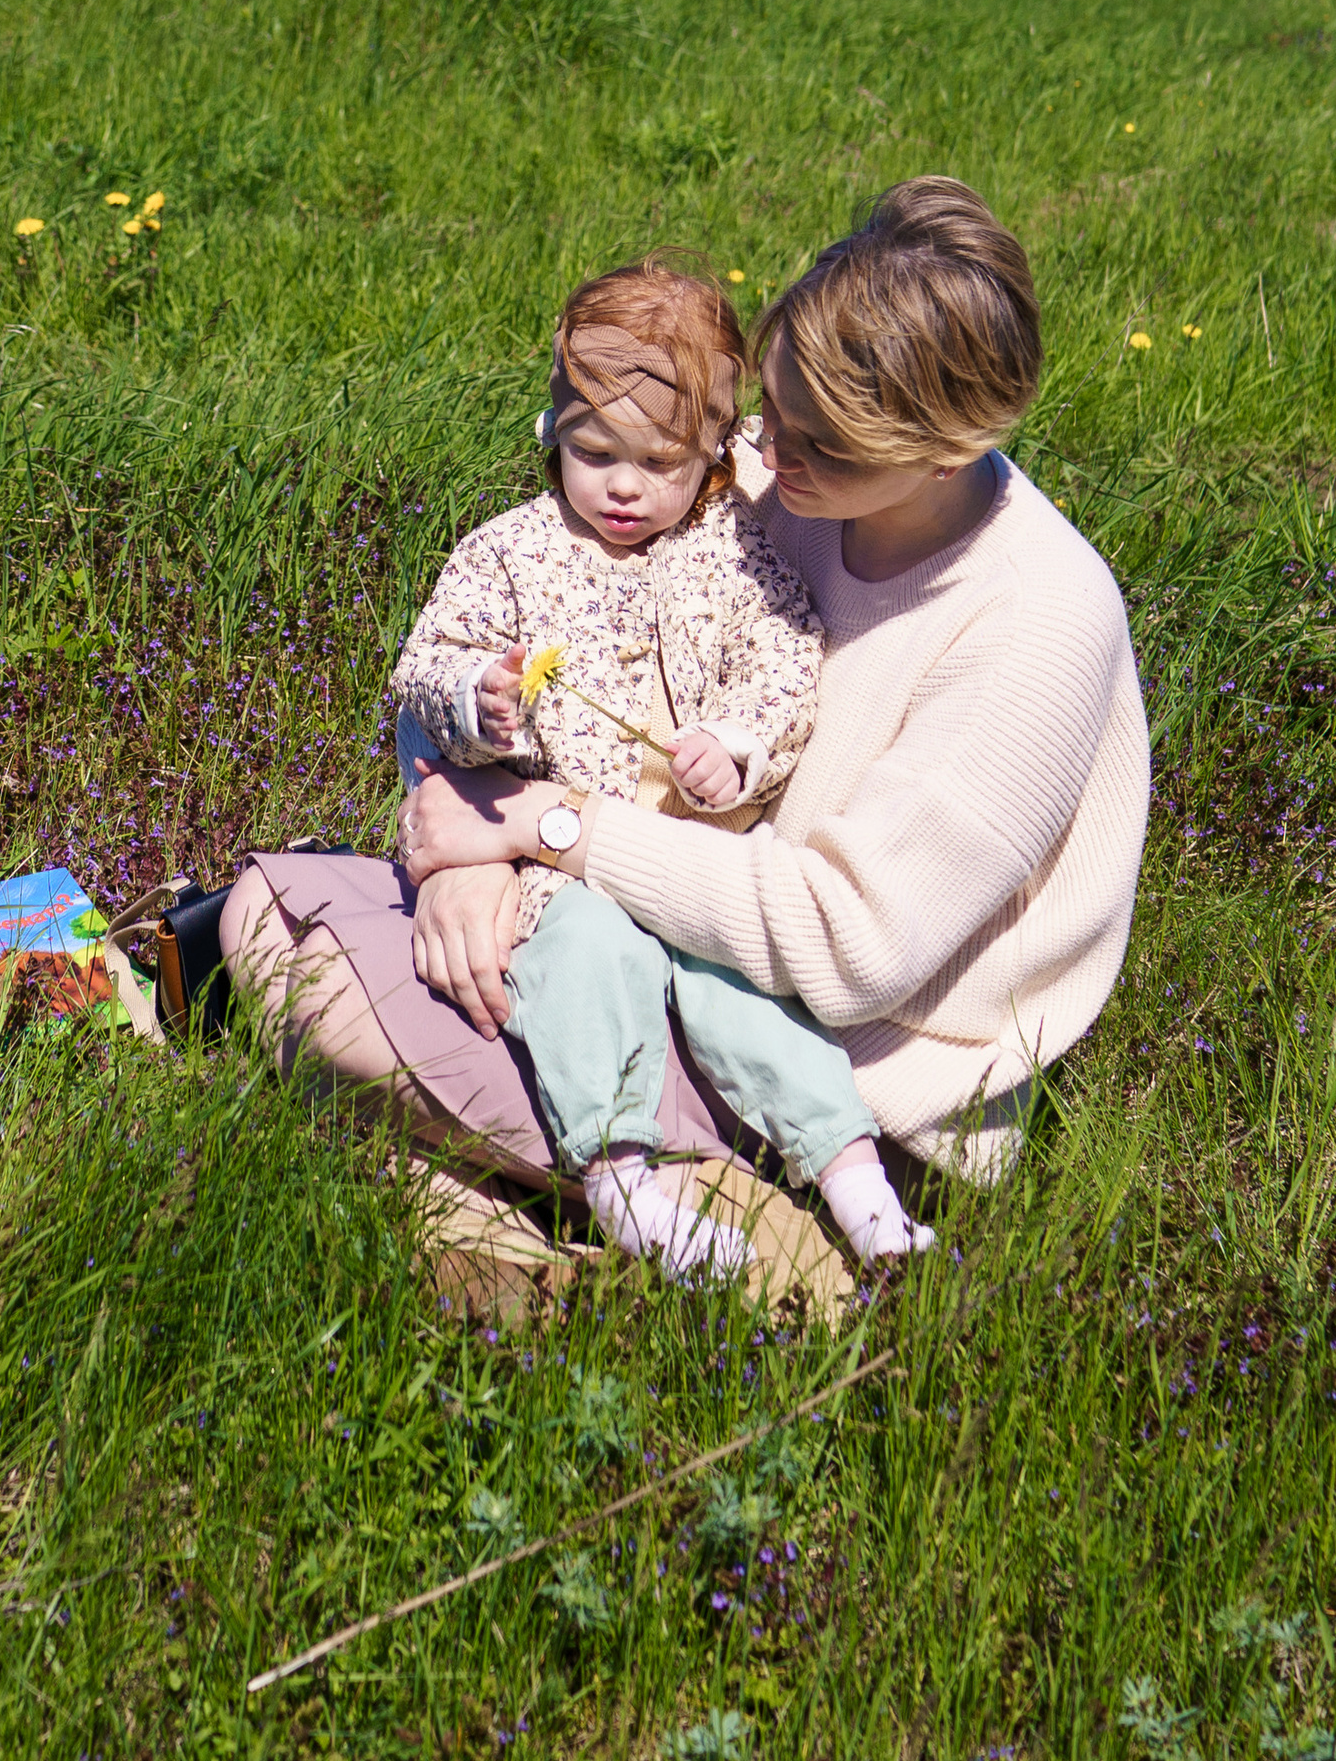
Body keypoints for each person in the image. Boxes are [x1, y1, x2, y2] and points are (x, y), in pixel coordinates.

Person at [221, 179, 1150, 1263]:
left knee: (288, 940)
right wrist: (464, 859)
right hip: (639, 931)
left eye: (821, 444)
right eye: (770, 408)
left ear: (944, 453)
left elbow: (848, 952)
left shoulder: (1035, 621)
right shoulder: (766, 484)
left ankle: (741, 1227)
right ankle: (547, 1195)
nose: (762, 455)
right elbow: (494, 643)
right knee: (278, 907)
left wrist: (540, 828)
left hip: (836, 1061)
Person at [384, 259, 931, 1270]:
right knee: (595, 961)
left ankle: (857, 1181)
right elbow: (426, 666)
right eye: (594, 453)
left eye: (660, 464)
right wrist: (479, 704)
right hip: (557, 870)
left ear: (716, 458)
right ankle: (619, 1176)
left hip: (688, 860)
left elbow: (781, 663)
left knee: (747, 999)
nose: (624, 487)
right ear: (553, 437)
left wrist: (733, 747)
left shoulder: (734, 554)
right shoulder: (510, 551)